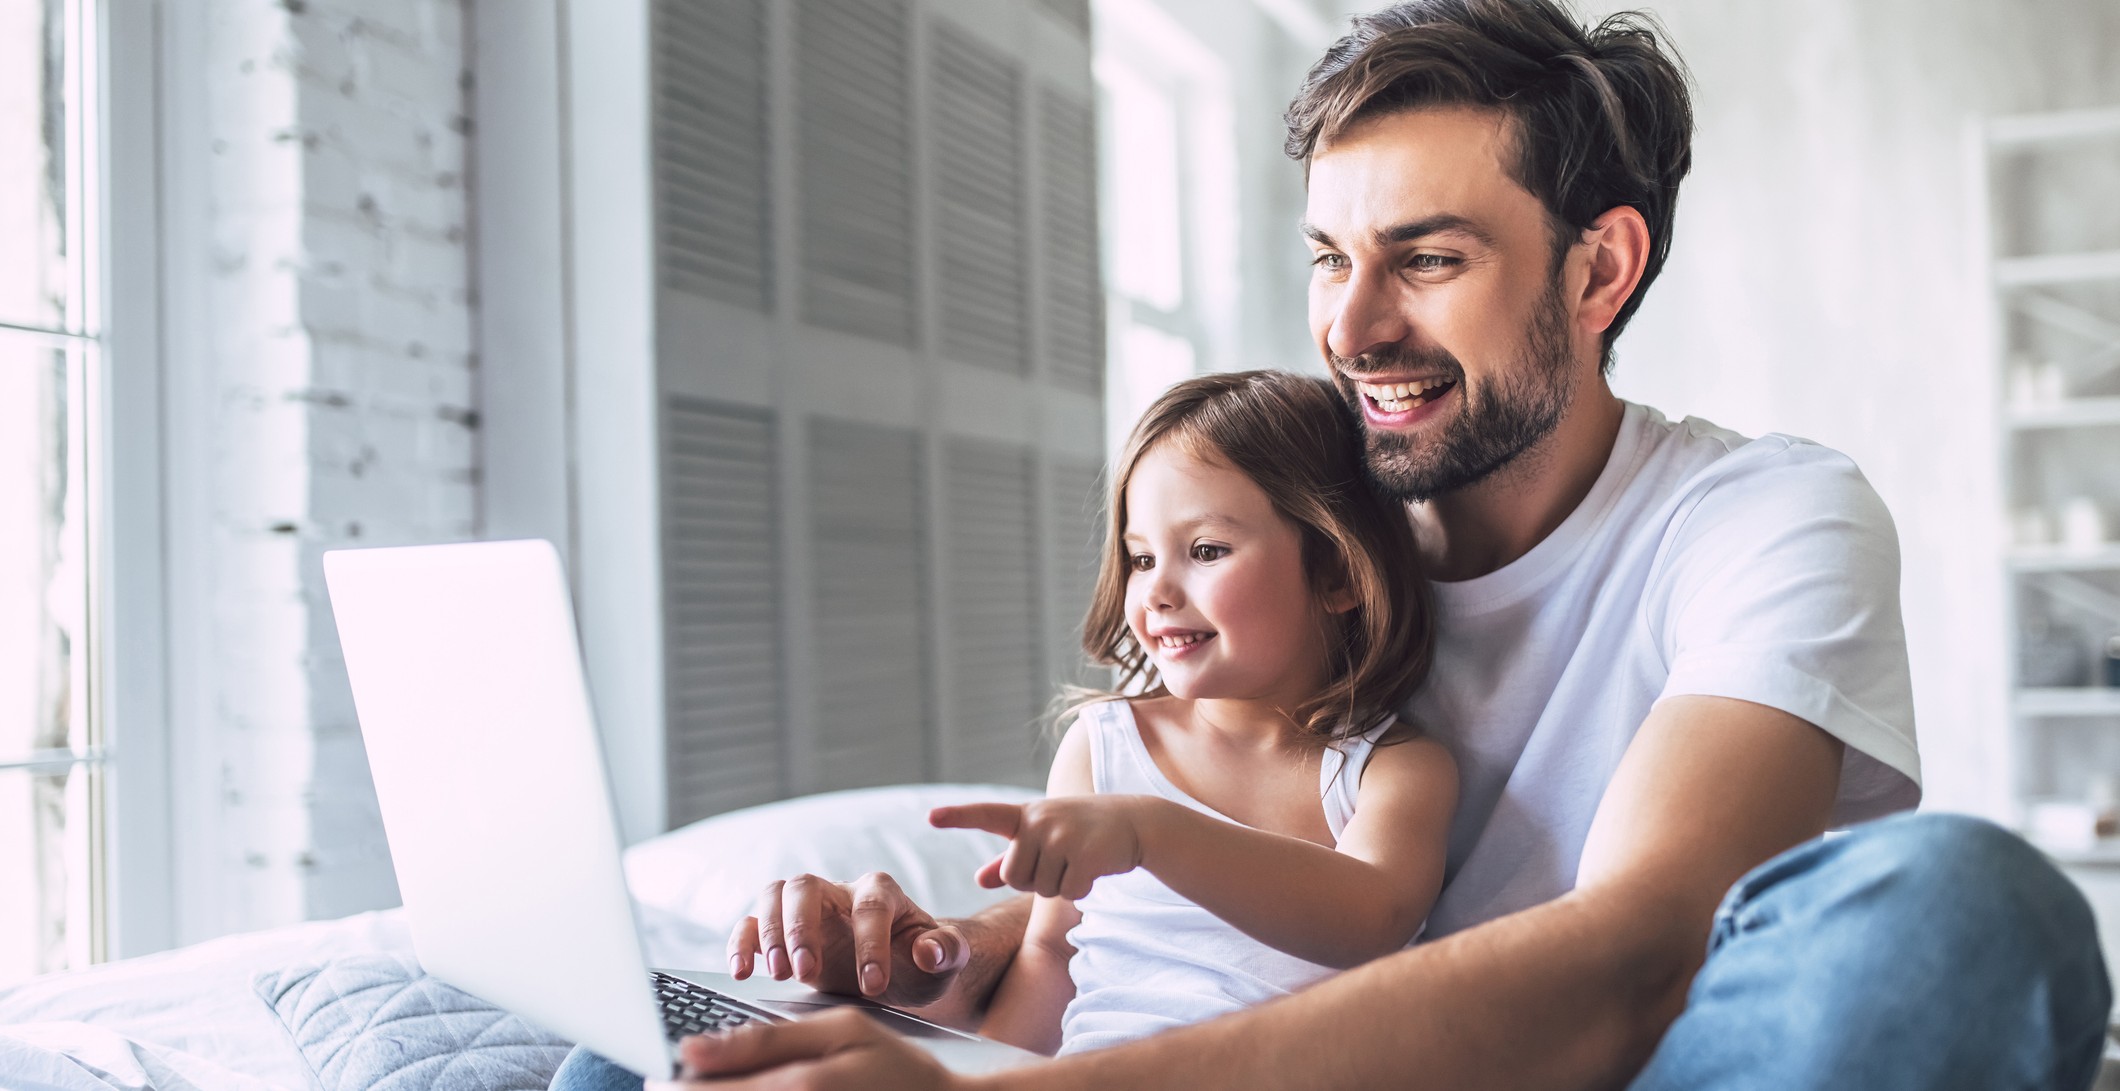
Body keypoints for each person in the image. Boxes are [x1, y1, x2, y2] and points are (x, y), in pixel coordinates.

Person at [558, 1, 2113, 1088]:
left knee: (1966, 911)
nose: (1353, 327)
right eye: (1329, 259)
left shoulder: (1764, 516)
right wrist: (924, 962)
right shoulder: (1290, 541)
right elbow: (1161, 916)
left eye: (1426, 260)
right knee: (642, 1050)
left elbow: (1634, 951)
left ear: (1601, 268)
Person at [922, 371, 1457, 1056]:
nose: (1157, 591)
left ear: (1340, 573)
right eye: (1141, 558)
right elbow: (1053, 956)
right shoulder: (1103, 749)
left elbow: (1373, 911)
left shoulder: (1395, 770)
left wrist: (1151, 833)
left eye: (1206, 550)